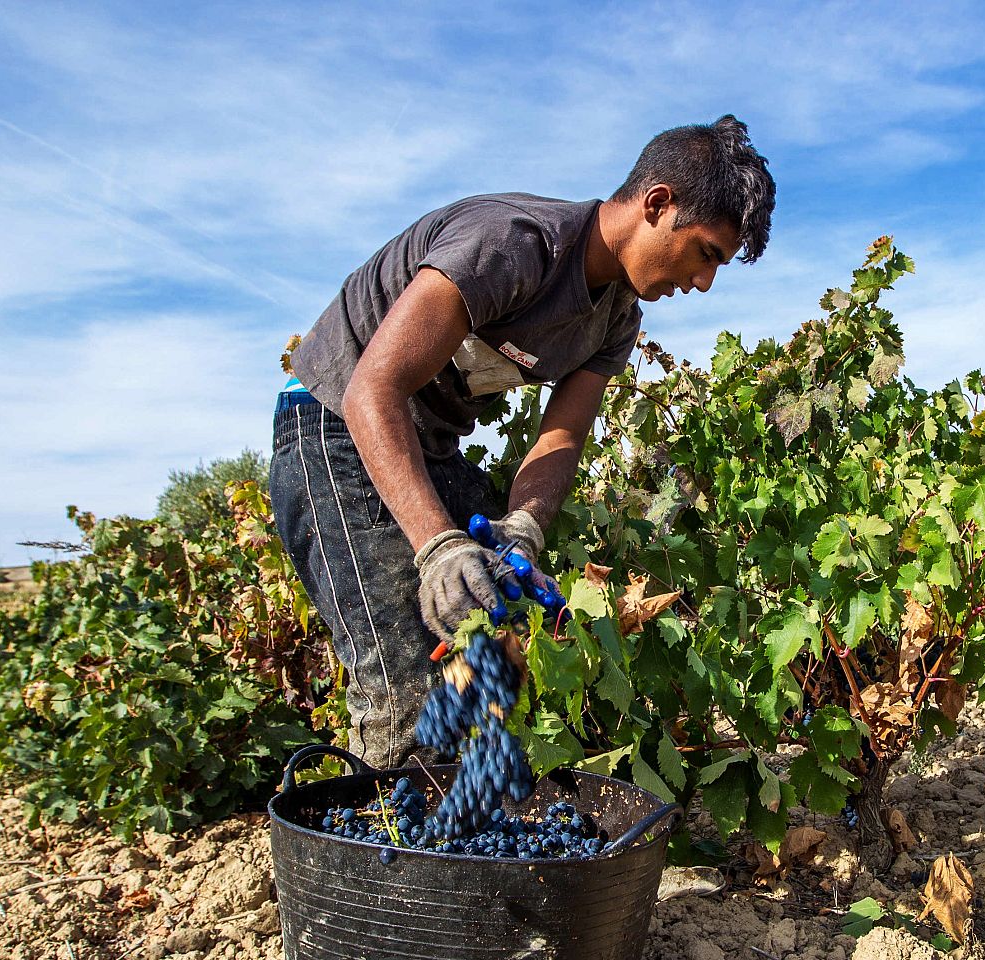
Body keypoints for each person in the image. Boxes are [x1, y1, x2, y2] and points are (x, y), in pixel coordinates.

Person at [269, 115, 776, 768]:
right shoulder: (513, 244)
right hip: (332, 427)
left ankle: (457, 829)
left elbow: (561, 434)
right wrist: (439, 546)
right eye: (707, 252)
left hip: (426, 450)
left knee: (500, 640)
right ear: (658, 204)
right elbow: (373, 392)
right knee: (402, 687)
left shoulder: (616, 316)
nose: (705, 282)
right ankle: (385, 854)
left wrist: (525, 528)